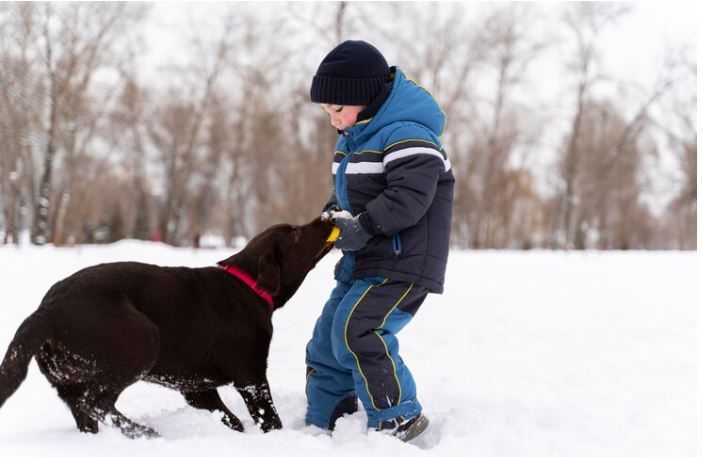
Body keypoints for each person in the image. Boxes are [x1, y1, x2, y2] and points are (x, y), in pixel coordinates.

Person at [304, 40, 454, 442]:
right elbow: (351, 194)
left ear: (363, 97)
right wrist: (333, 214)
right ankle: (329, 417)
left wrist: (364, 226)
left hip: (404, 262)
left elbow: (409, 198)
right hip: (365, 261)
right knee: (326, 339)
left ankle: (397, 416)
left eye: (337, 110)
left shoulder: (409, 134)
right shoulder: (354, 139)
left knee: (358, 331)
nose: (334, 120)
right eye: (327, 113)